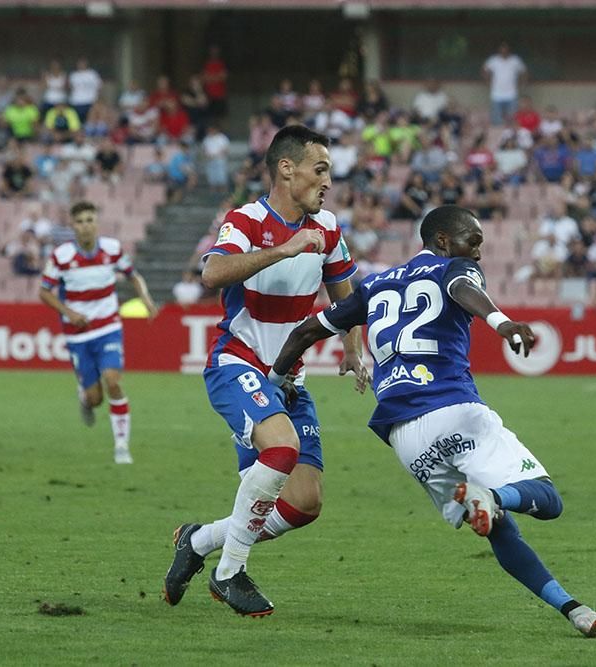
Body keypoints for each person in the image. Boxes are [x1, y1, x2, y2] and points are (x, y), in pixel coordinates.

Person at [264, 205, 596, 637]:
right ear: (443, 241)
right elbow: (461, 286)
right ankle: (490, 495)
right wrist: (501, 320)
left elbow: (306, 332)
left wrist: (274, 383)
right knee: (547, 500)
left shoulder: (374, 285)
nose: (477, 253)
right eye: (472, 241)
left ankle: (577, 612)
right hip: (452, 410)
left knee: (495, 525)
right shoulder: (453, 268)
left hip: (405, 437)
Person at [161, 125, 366, 616]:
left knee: (303, 503)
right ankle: (230, 573)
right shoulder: (246, 220)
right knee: (281, 448)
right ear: (286, 169)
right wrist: (284, 248)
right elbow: (211, 273)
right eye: (320, 170)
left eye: (330, 173)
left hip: (290, 378)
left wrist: (354, 347)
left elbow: (347, 297)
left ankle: (200, 539)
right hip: (239, 363)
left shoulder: (330, 228)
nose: (327, 182)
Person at [39, 201, 158, 464]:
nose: (86, 226)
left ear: (97, 223)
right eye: (80, 221)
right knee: (95, 399)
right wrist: (69, 313)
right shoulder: (61, 256)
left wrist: (146, 299)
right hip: (77, 334)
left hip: (108, 327)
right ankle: (85, 397)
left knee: (113, 380)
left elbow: (133, 275)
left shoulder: (112, 249)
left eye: (90, 220)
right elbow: (44, 291)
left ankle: (121, 446)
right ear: (73, 225)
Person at [482, 41, 528, 126]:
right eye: (502, 49)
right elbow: (485, 70)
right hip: (496, 94)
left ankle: (510, 138)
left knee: (512, 120)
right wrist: (487, 83)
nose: (504, 51)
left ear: (509, 50)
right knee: (496, 121)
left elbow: (524, 71)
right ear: (499, 50)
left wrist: (522, 84)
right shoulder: (493, 60)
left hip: (511, 94)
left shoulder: (515, 60)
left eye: (505, 49)